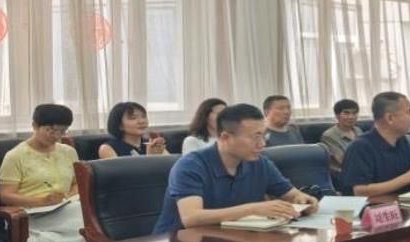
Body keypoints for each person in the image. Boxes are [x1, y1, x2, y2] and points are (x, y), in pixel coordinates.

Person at [152, 103, 319, 234]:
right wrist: (253, 209)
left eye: (263, 135)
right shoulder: (190, 166)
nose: (262, 144)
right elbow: (191, 218)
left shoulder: (260, 163)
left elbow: (291, 194)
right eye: (255, 137)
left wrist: (303, 200)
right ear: (225, 137)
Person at [0, 104, 85, 242]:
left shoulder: (69, 152)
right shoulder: (15, 156)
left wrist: (70, 195)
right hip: (32, 214)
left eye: (62, 131)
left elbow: (78, 184)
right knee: (85, 220)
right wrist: (42, 201)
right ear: (35, 126)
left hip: (65, 208)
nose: (56, 136)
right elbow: (6, 196)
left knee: (87, 214)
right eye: (51, 130)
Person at [338, 92, 410, 197]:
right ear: (390, 118)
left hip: (402, 203)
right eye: (408, 112)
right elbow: (360, 191)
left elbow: (406, 181)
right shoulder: (360, 147)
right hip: (372, 209)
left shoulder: (401, 141)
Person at [99, 101, 166, 158]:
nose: (141, 121)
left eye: (143, 117)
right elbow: (120, 170)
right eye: (133, 118)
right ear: (120, 125)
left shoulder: (151, 143)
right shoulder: (107, 148)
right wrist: (151, 157)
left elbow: (170, 165)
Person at [319, 98, 360, 175]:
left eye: (354, 113)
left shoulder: (358, 130)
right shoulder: (329, 136)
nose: (351, 117)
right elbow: (343, 161)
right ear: (337, 116)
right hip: (343, 173)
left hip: (362, 170)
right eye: (346, 113)